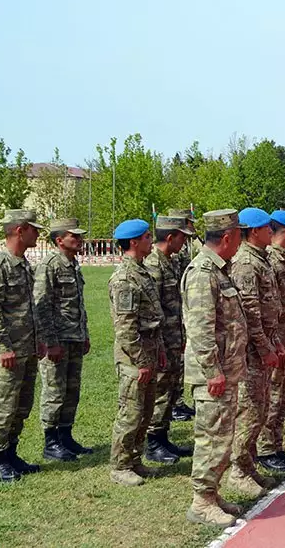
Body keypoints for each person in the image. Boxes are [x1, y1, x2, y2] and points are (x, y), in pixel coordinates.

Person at [181, 209, 248, 527]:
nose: (241, 241)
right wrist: (213, 372)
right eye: (239, 235)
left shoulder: (219, 270)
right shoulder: (203, 272)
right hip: (213, 375)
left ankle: (212, 493)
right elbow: (200, 329)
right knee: (211, 438)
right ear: (227, 237)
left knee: (221, 437)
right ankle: (201, 502)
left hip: (225, 371)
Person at [0, 209, 46, 482]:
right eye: (34, 228)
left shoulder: (24, 265)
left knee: (22, 406)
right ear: (20, 230)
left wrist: (38, 340)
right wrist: (2, 347)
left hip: (27, 348)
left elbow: (31, 308)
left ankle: (11, 453)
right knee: (4, 407)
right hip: (8, 352)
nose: (38, 233)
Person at [227, 207, 282, 496]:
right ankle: (237, 470)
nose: (271, 233)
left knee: (259, 409)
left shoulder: (261, 260)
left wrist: (275, 342)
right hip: (251, 351)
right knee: (249, 411)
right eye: (267, 229)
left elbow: (269, 307)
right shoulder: (247, 263)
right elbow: (250, 311)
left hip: (264, 345)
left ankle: (248, 465)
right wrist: (264, 347)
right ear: (254, 232)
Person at [108, 219, 166, 487]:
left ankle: (134, 460)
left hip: (151, 351)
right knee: (130, 413)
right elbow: (126, 329)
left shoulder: (141, 272)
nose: (150, 242)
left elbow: (154, 318)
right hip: (135, 358)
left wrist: (160, 351)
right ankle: (119, 465)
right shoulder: (125, 278)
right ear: (133, 242)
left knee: (145, 411)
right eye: (146, 238)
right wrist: (142, 361)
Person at [34, 218, 92, 463]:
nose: (79, 240)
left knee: (71, 390)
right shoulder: (49, 265)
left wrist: (84, 333)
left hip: (74, 337)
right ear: (59, 240)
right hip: (57, 339)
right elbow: (41, 305)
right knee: (54, 391)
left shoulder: (73, 264)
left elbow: (77, 305)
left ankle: (66, 436)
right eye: (74, 236)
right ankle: (51, 442)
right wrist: (50, 341)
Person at [143, 215, 194, 464]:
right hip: (162, 340)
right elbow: (153, 310)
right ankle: (153, 442)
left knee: (172, 388)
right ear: (171, 237)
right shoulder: (154, 264)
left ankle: (163, 438)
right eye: (182, 237)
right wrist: (162, 344)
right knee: (161, 390)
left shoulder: (170, 262)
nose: (184, 243)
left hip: (174, 336)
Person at [256, 210, 285, 472]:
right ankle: (266, 449)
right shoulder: (272, 261)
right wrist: (274, 343)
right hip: (276, 338)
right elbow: (269, 309)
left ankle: (276, 446)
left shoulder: (284, 260)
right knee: (273, 395)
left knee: (283, 396)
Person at [168, 208, 199, 422]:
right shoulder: (169, 255)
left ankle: (177, 402)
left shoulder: (184, 250)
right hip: (170, 320)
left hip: (178, 315)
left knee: (178, 363)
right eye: (188, 223)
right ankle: (174, 404)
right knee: (172, 365)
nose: (191, 227)